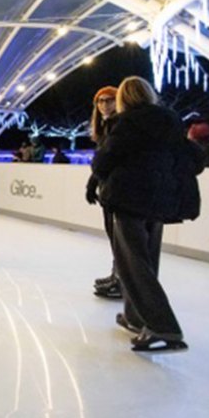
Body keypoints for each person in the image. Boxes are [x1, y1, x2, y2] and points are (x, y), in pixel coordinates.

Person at [92, 76, 203, 353]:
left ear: (123, 100)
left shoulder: (127, 123)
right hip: (161, 202)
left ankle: (164, 327)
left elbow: (103, 160)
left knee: (132, 264)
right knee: (146, 260)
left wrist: (102, 175)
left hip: (129, 200)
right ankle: (135, 317)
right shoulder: (170, 121)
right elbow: (193, 158)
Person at [86, 86, 121, 299]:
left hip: (119, 190)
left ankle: (121, 280)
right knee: (113, 234)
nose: (104, 105)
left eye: (109, 100)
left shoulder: (119, 125)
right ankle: (116, 274)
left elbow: (109, 159)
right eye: (100, 101)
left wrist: (94, 181)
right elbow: (102, 161)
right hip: (108, 188)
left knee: (120, 237)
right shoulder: (105, 127)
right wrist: (93, 183)